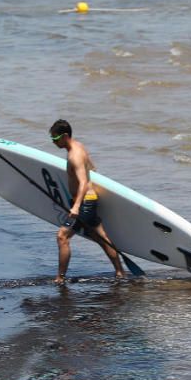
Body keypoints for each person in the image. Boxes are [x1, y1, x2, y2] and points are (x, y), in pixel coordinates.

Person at [49, 119, 125, 285]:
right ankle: (120, 272)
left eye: (55, 139)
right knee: (100, 237)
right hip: (87, 200)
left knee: (62, 236)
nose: (53, 142)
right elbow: (92, 168)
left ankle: (60, 278)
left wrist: (76, 206)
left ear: (65, 136)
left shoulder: (74, 155)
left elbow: (83, 182)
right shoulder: (79, 146)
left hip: (84, 203)